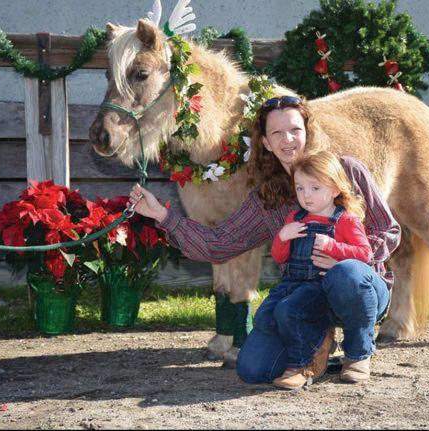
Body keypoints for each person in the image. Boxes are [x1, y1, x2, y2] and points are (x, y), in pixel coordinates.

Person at [128, 95, 400, 384]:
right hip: (304, 297)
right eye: (277, 133)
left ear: (307, 132)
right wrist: (161, 215)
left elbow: (389, 230)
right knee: (254, 368)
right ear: (266, 143)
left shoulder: (347, 171)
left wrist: (347, 258)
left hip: (360, 291)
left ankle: (358, 354)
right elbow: (218, 243)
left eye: (295, 130)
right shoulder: (266, 199)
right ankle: (318, 342)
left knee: (347, 274)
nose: (287, 139)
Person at [260, 150, 373, 389]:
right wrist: (282, 237)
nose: (306, 195)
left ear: (334, 189)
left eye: (315, 188)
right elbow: (280, 257)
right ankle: (317, 340)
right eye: (300, 188)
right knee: (264, 316)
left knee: (288, 311)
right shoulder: (295, 218)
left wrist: (334, 247)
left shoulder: (346, 221)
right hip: (293, 283)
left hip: (320, 287)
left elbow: (365, 255)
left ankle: (300, 365)